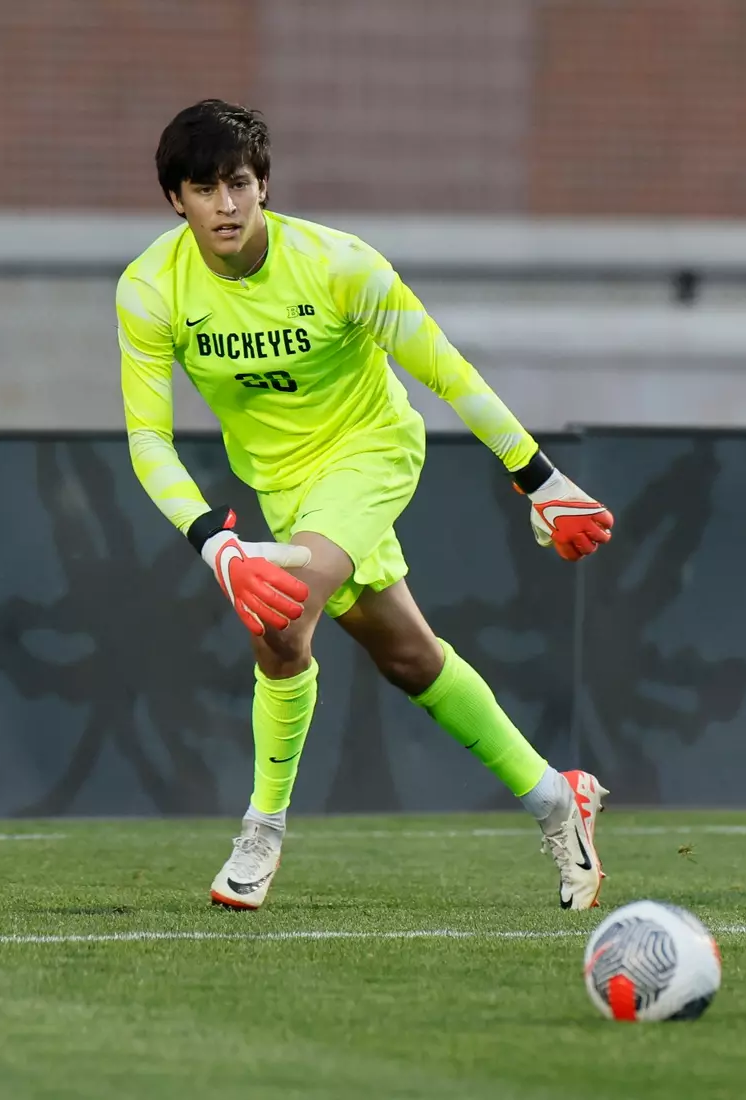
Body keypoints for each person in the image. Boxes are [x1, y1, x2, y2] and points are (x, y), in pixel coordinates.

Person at [116, 99, 616, 911]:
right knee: (409, 658)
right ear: (177, 201)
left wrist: (540, 478)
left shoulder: (341, 265)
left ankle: (262, 829)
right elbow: (148, 442)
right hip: (284, 487)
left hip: (372, 451)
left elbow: (446, 369)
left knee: (280, 622)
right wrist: (216, 544)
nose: (227, 204)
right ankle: (559, 799)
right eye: (205, 189)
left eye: (239, 183)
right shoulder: (149, 290)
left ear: (265, 185)